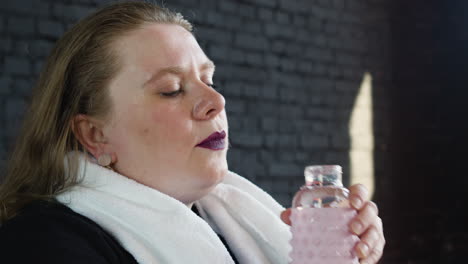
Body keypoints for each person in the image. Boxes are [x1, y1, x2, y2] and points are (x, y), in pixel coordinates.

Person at [0, 1, 384, 263]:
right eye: (171, 89)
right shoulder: (41, 245)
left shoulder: (231, 220)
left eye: (209, 79)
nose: (215, 100)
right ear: (95, 135)